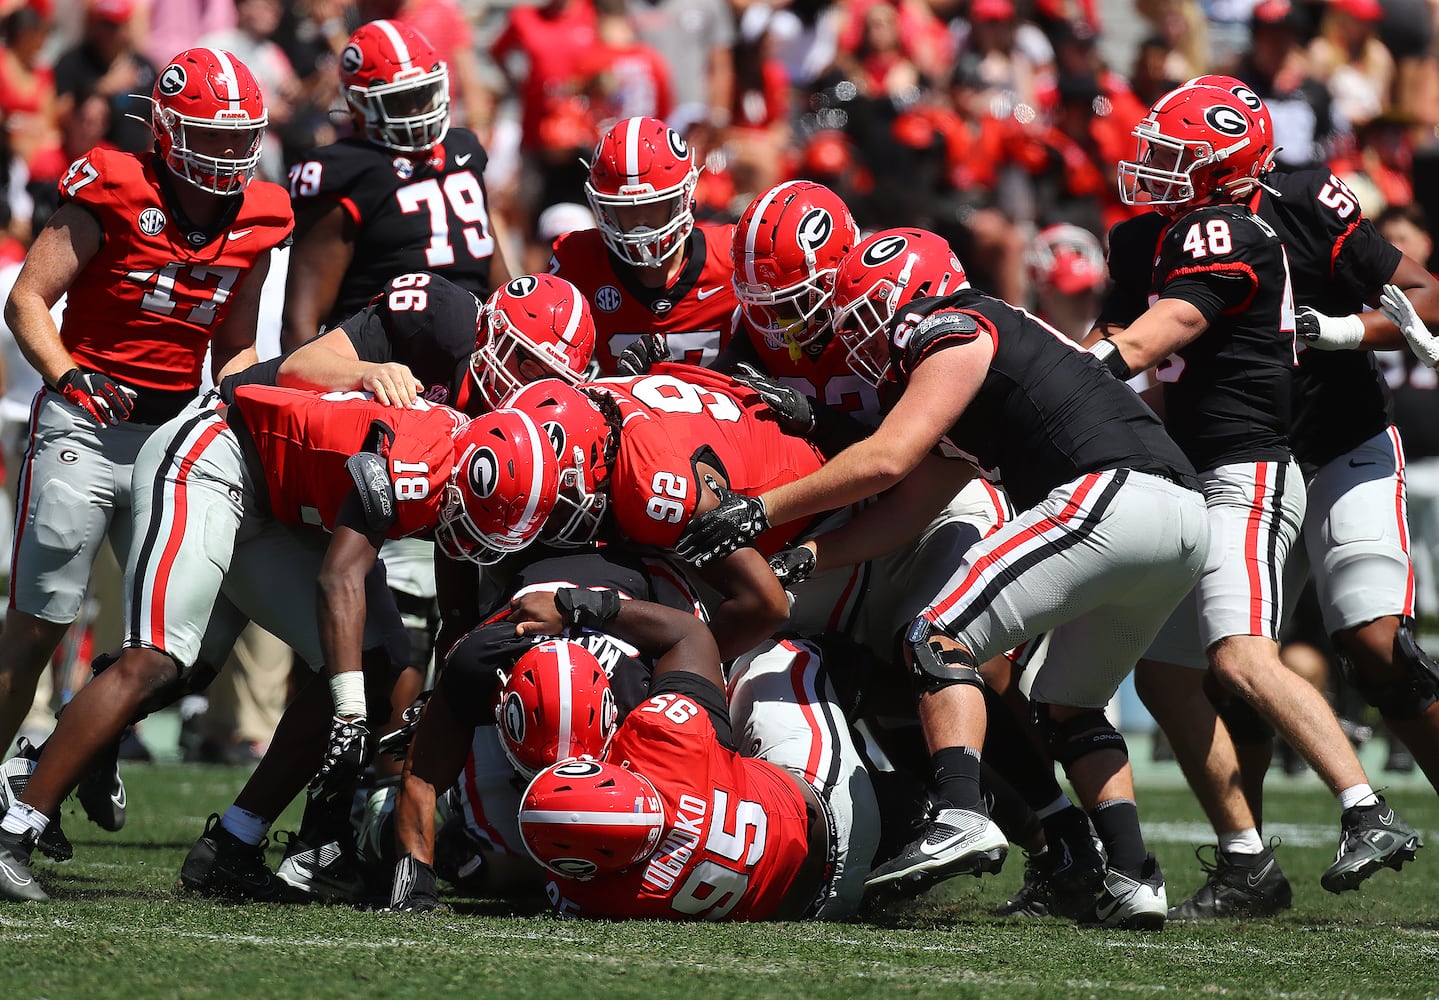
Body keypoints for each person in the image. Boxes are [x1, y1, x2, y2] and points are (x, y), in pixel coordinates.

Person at [676, 227, 1208, 929]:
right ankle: (1133, 876)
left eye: (869, 316)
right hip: (1179, 521)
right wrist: (810, 557)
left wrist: (759, 509)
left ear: (917, 300)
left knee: (935, 633)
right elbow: (909, 506)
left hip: (1111, 494)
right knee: (1068, 703)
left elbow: (885, 460)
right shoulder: (983, 382)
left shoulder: (956, 325)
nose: (862, 340)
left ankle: (959, 813)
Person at [0, 388, 536, 903]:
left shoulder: (469, 480)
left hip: (277, 506)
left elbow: (458, 617)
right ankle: (16, 828)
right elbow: (339, 578)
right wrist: (350, 716)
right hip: (211, 461)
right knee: (157, 661)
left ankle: (233, 844)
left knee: (378, 663)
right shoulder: (419, 457)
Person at [1096, 81, 1422, 916]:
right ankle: (1248, 859)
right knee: (1208, 660)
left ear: (1230, 169)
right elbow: (1128, 350)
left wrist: (1333, 329)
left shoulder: (1309, 198)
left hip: (1335, 440)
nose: (1152, 175)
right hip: (1223, 457)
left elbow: (1421, 295)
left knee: (1374, 644)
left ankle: (1363, 808)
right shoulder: (1141, 237)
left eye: (1175, 159)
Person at [0, 47, 288, 821]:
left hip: (175, 438)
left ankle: (77, 746)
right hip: (86, 422)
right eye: (212, 135)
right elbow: (28, 300)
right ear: (165, 129)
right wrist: (68, 376)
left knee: (173, 641)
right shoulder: (114, 187)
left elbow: (235, 348)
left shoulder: (263, 214)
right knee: (38, 625)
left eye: (241, 137)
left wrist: (255, 414)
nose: (229, 153)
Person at [511, 589, 854, 921]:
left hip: (807, 909)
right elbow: (690, 635)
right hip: (831, 812)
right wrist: (576, 605)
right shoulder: (667, 741)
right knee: (779, 652)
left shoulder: (584, 898)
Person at [281, 18, 508, 347]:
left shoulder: (463, 150)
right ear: (358, 104)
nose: (417, 112)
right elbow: (301, 319)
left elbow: (496, 272)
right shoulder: (345, 170)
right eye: (399, 101)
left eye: (423, 94)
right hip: (383, 360)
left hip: (472, 350)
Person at [549, 116, 737, 372]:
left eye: (655, 205)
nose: (641, 221)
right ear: (602, 206)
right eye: (624, 209)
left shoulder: (732, 259)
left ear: (684, 197)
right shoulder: (577, 262)